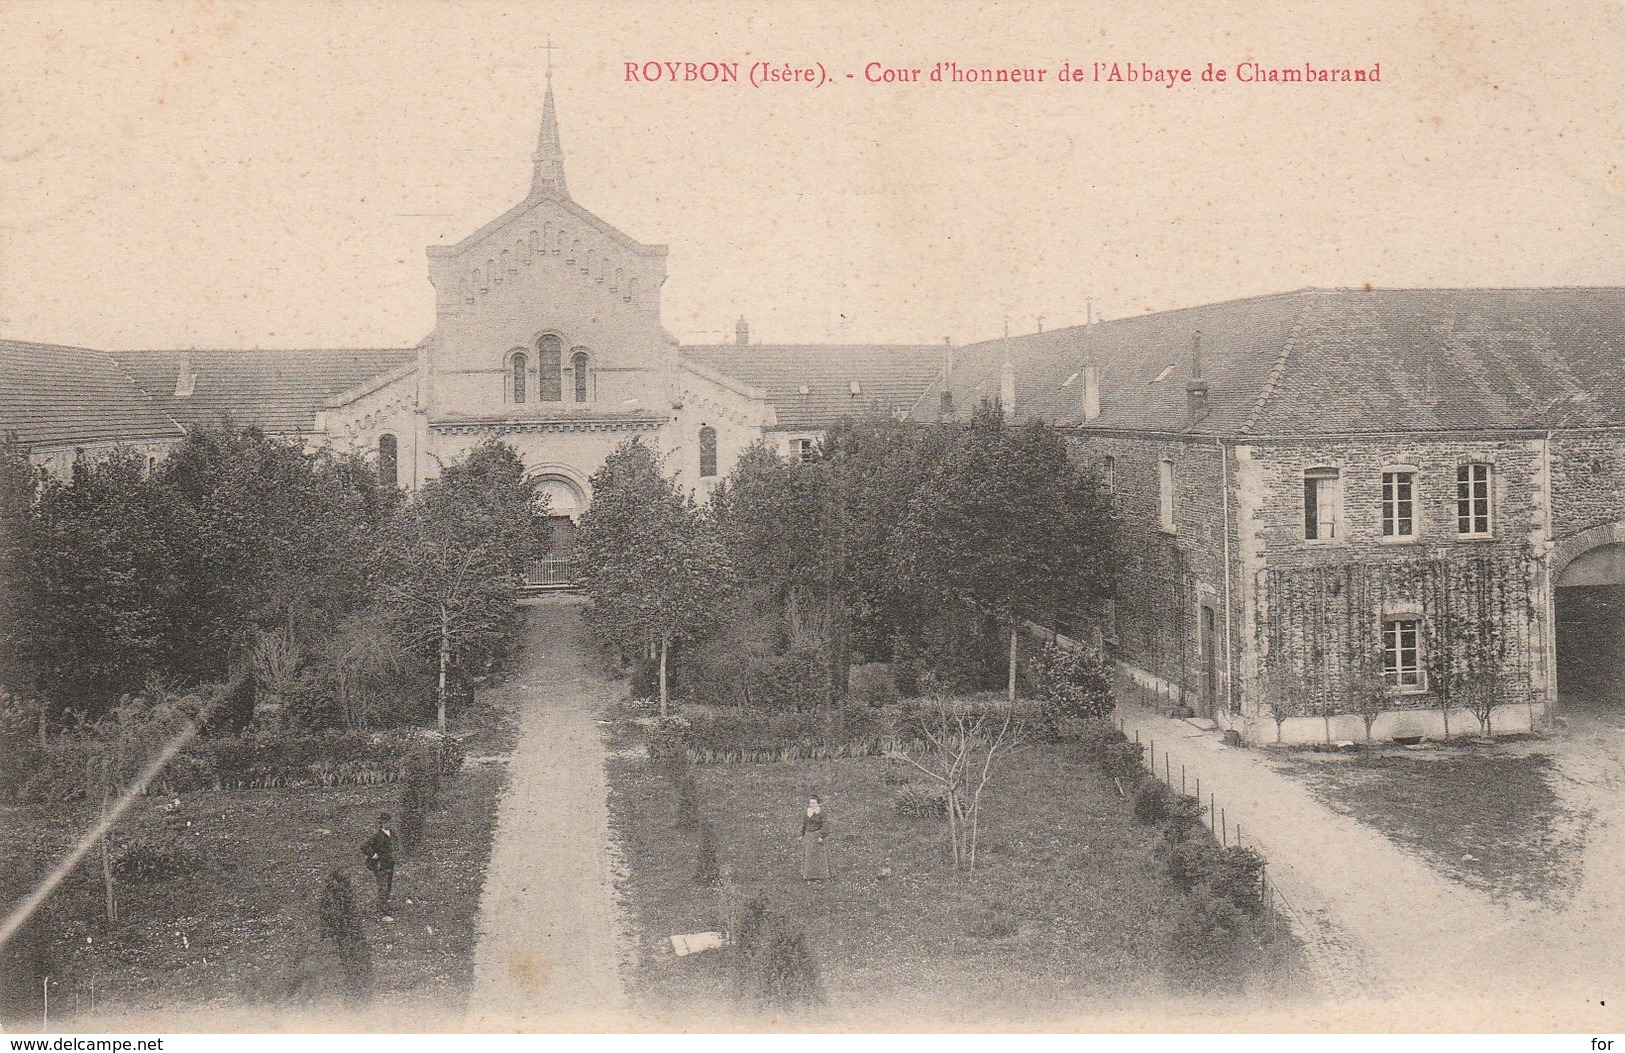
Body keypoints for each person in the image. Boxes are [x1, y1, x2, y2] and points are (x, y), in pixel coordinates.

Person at [361, 812, 395, 915]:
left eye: (389, 821)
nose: (387, 824)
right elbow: (364, 846)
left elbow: (395, 846)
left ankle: (385, 906)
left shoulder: (392, 833)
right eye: (385, 822)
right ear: (381, 823)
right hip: (380, 864)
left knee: (388, 885)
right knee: (383, 886)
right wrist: (373, 855)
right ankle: (383, 910)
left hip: (390, 863)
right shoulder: (377, 836)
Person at [799, 796, 831, 881]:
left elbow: (825, 825)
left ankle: (821, 875)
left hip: (817, 835)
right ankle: (809, 875)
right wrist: (802, 832)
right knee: (809, 855)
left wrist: (822, 836)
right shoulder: (808, 812)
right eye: (810, 803)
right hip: (809, 835)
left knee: (819, 856)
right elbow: (805, 823)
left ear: (818, 804)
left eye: (814, 803)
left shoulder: (822, 813)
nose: (812, 805)